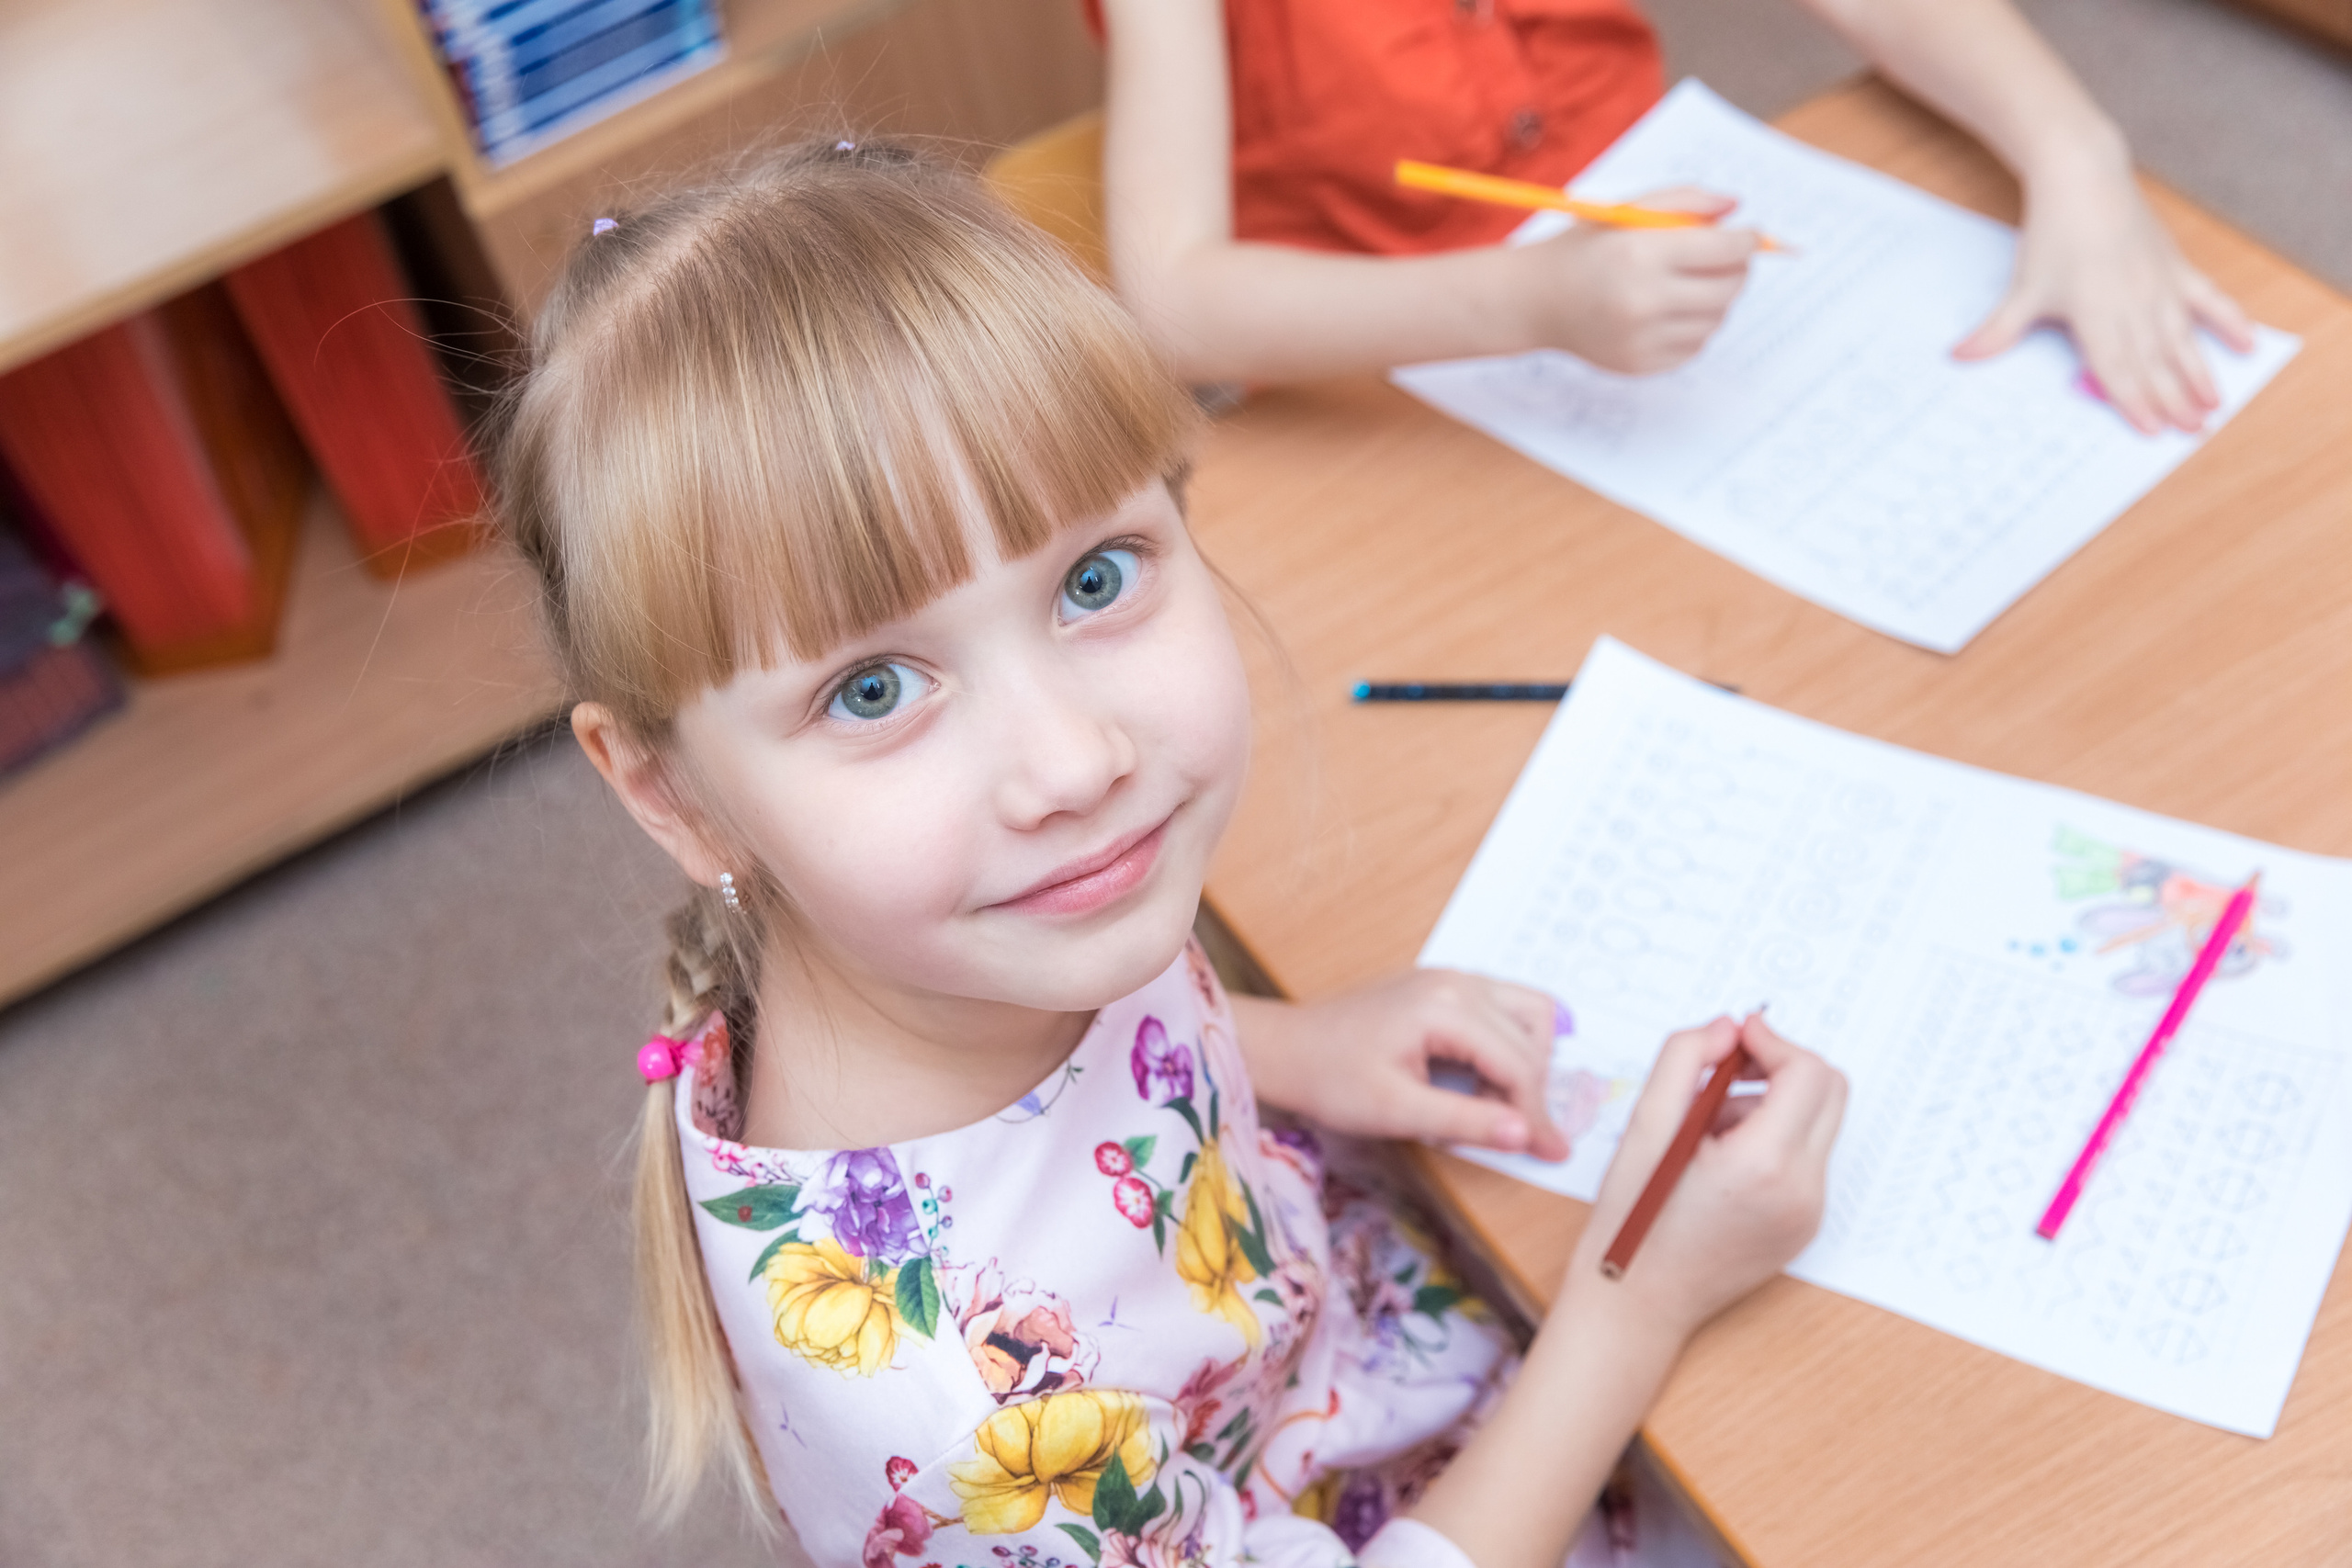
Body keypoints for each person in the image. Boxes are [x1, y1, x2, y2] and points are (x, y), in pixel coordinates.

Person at [490, 139, 1846, 1568]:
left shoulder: (975, 937)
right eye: (874, 689)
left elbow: (1087, 1078)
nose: (1077, 762)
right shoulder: (975, 1434)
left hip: (1340, 1348)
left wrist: (1291, 1045)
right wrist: (1635, 1296)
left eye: (1092, 578)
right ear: (671, 793)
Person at [1093, 0, 2256, 434]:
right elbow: (1173, 303)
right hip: (1385, 375)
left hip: (1667, 310)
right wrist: (1533, 300)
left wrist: (2078, 156)